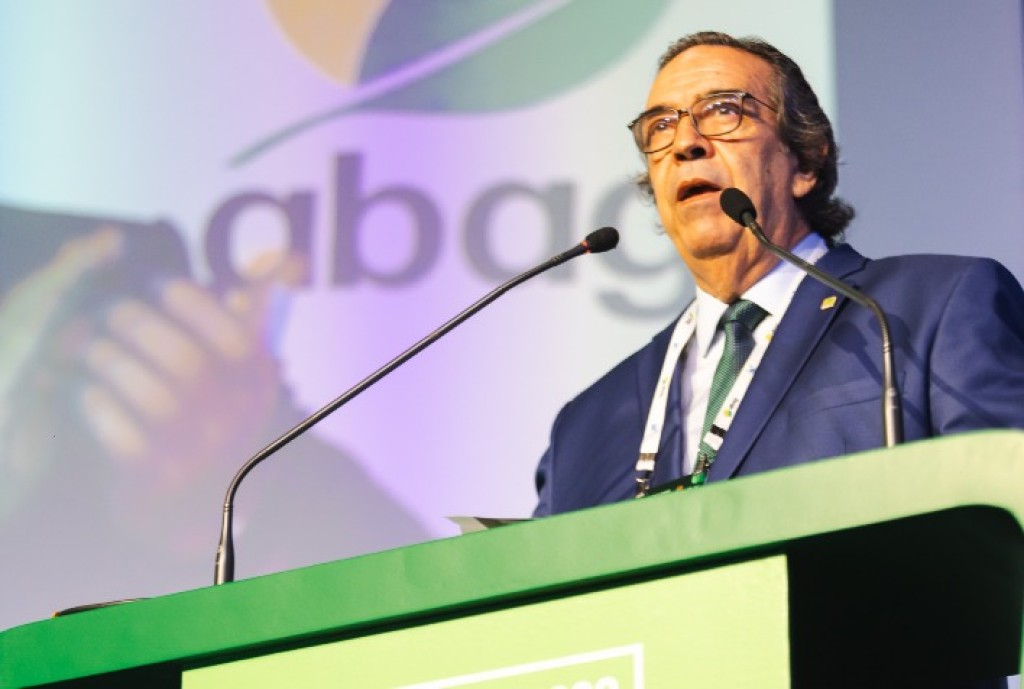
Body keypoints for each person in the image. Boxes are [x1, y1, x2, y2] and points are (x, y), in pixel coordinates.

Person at [533, 31, 1024, 515]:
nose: (684, 143)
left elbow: (1005, 518)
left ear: (805, 161)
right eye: (660, 126)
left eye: (722, 110)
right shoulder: (582, 428)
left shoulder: (929, 311)